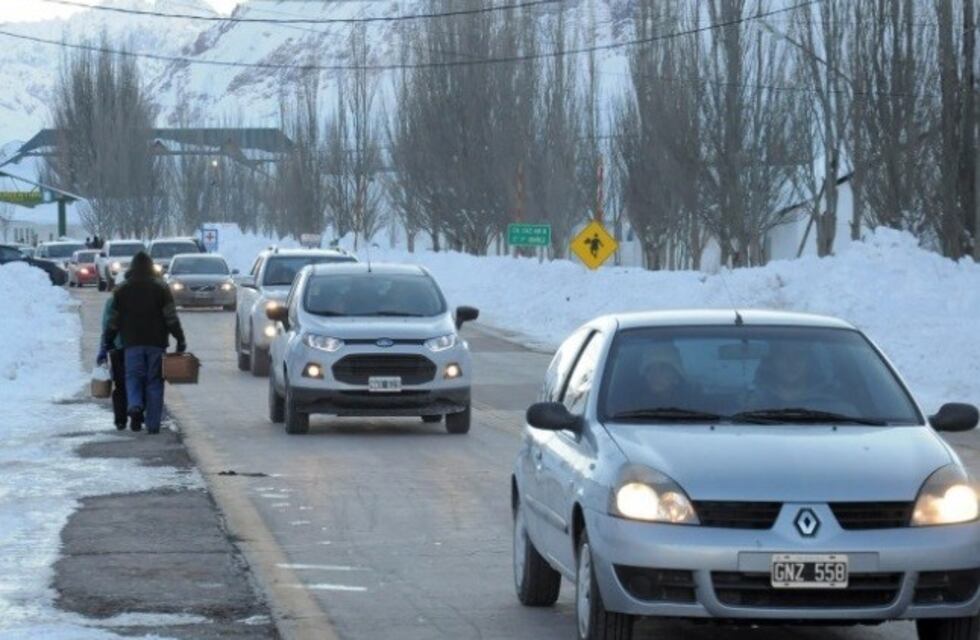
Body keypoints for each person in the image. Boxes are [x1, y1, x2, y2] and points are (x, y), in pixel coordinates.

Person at [103, 252, 187, 434]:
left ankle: (134, 405)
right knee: (155, 382)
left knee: (133, 377)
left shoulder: (122, 290)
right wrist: (180, 339)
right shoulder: (161, 289)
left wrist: (108, 341)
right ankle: (153, 424)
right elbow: (171, 317)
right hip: (156, 343)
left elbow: (113, 321)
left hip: (131, 344)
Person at [97, 282, 131, 430]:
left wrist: (103, 350)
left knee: (120, 385)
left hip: (117, 348)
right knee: (140, 382)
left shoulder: (112, 301)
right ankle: (139, 413)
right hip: (137, 347)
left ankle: (120, 420)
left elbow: (106, 327)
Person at [637, 343, 697, 408]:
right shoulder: (633, 406)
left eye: (663, 368)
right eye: (649, 368)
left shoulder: (696, 405)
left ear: (676, 376)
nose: (655, 374)